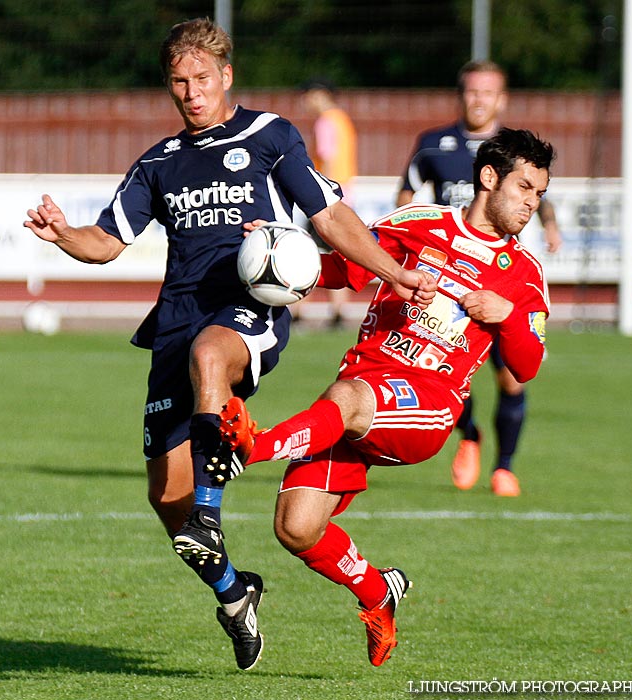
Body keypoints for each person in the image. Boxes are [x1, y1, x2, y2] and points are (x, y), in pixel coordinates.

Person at [23, 18, 430, 672]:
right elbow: (105, 242)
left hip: (249, 306)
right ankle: (234, 593)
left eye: (202, 78)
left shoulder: (269, 137)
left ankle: (211, 513)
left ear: (226, 75)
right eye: (178, 81)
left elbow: (327, 217)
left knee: (212, 358)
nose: (190, 92)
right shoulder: (158, 163)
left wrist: (395, 273)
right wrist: (62, 233)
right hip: (175, 321)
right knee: (166, 499)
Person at [206, 128, 553, 666]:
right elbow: (343, 266)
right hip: (359, 392)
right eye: (525, 187)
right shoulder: (419, 224)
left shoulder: (525, 275)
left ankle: (251, 446)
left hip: (429, 406)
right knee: (296, 528)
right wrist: (275, 252)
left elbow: (527, 365)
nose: (532, 203)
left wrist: (507, 316)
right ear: (489, 178)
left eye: (539, 194)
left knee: (346, 397)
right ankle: (376, 592)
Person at [396, 60, 562, 497]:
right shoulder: (433, 144)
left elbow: (539, 197)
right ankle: (469, 434)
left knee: (511, 375)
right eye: (472, 91)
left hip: (500, 276)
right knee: (444, 366)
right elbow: (407, 194)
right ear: (461, 95)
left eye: (488, 93)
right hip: (449, 278)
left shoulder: (515, 152)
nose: (479, 100)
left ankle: (504, 467)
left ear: (501, 100)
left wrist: (550, 224)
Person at [300, 79, 358, 327]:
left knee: (304, 253)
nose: (305, 102)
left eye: (308, 95)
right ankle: (338, 310)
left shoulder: (325, 122)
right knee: (337, 252)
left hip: (325, 199)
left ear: (319, 95)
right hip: (345, 196)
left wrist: (322, 195)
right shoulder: (342, 119)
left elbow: (328, 159)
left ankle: (297, 311)